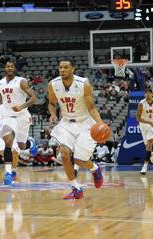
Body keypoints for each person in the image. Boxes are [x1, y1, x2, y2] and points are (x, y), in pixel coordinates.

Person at [48, 58, 104, 200]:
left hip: (85, 123)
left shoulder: (83, 83)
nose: (62, 70)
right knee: (65, 154)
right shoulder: (53, 84)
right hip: (66, 123)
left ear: (73, 69)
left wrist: (101, 125)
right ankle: (76, 188)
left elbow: (91, 107)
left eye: (66, 67)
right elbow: (51, 103)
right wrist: (53, 114)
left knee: (80, 160)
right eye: (60, 67)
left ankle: (95, 169)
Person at [0, 60, 36, 186]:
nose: (9, 68)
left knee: (22, 146)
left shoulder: (21, 81)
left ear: (14, 68)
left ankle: (30, 142)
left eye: (11, 66)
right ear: (5, 68)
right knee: (8, 142)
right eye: (7, 66)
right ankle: (8, 174)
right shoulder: (0, 83)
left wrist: (22, 106)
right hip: (7, 115)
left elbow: (33, 98)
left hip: (21, 115)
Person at [137, 88, 153, 175]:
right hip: (144, 125)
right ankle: (150, 155)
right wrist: (149, 122)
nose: (147, 94)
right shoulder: (141, 104)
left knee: (150, 143)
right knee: (147, 145)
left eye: (149, 92)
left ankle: (145, 166)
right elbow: (138, 118)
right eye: (146, 92)